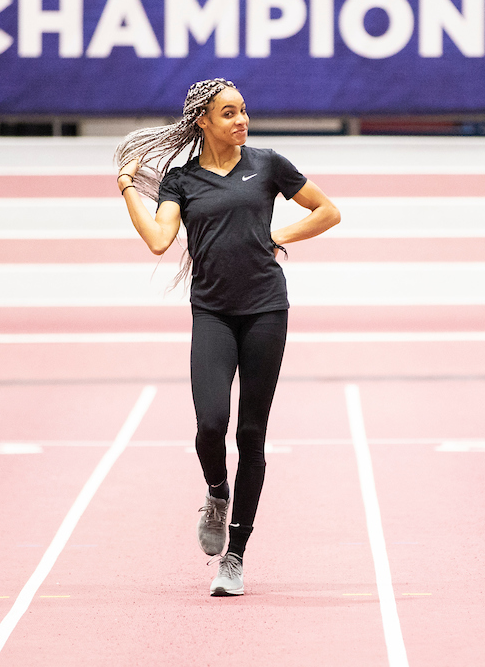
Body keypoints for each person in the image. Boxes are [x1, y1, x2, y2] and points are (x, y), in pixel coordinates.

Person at [115, 79, 340, 596]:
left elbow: (328, 210)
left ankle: (234, 557)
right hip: (213, 313)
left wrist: (276, 236)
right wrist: (129, 187)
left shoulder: (269, 164)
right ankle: (217, 493)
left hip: (266, 311)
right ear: (204, 122)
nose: (241, 121)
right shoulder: (181, 180)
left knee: (251, 434)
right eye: (228, 114)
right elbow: (157, 240)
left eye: (243, 111)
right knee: (211, 422)